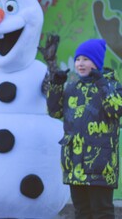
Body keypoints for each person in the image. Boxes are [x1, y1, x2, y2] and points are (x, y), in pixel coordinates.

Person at [47, 38, 122, 218]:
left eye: (86, 59)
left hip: (100, 163)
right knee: (82, 212)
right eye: (78, 59)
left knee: (102, 212)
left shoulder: (112, 86)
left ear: (96, 62)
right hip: (75, 162)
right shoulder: (73, 88)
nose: (80, 64)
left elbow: (116, 110)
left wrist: (102, 83)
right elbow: (54, 112)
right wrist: (56, 85)